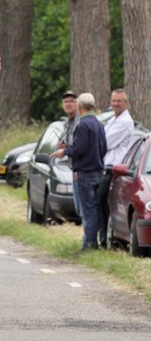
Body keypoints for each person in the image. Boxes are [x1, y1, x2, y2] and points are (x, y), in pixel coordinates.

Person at [50, 93, 106, 252]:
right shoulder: (99, 124)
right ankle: (95, 241)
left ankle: (89, 244)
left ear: (79, 106)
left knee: (87, 210)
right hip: (98, 172)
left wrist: (64, 151)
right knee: (95, 209)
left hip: (85, 172)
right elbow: (104, 147)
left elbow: (79, 148)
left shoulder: (83, 125)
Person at [100, 88, 134, 247]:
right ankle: (103, 238)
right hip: (106, 168)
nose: (115, 104)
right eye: (113, 100)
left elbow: (105, 142)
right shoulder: (113, 120)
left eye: (119, 101)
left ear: (126, 103)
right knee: (101, 204)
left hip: (114, 170)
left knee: (102, 203)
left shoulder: (125, 122)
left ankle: (105, 239)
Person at [58, 90, 80, 215]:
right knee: (78, 208)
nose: (68, 104)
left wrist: (66, 149)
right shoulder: (66, 123)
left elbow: (79, 147)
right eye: (66, 102)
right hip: (73, 168)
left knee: (82, 208)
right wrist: (62, 146)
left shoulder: (80, 121)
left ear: (77, 104)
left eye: (71, 101)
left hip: (82, 168)